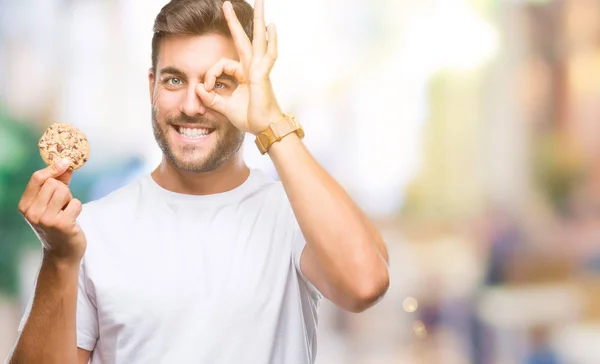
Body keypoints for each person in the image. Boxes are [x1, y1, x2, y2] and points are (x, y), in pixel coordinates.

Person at [8, 0, 390, 363]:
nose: (192, 105)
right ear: (152, 86)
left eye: (218, 83)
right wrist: (58, 259)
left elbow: (365, 285)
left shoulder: (295, 216)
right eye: (174, 80)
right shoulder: (89, 233)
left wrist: (271, 122)